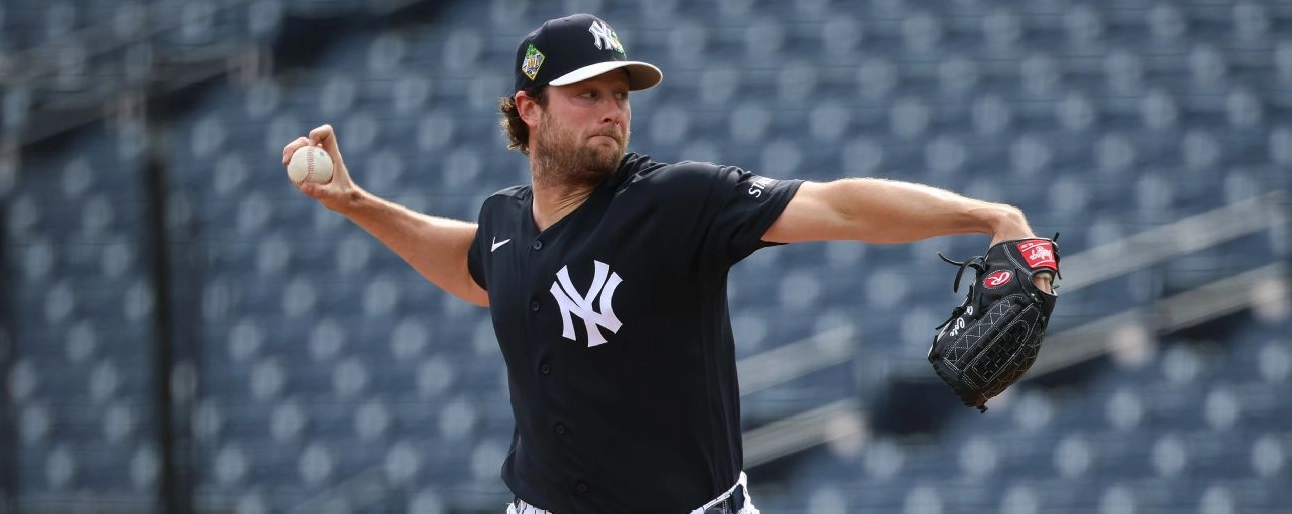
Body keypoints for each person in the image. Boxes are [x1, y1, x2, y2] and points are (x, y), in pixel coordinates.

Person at [280, 13, 1054, 514]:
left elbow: (842, 206)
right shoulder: (505, 223)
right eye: (587, 93)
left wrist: (987, 217)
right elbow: (475, 269)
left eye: (621, 92)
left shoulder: (678, 202)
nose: (613, 108)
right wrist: (356, 203)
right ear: (528, 108)